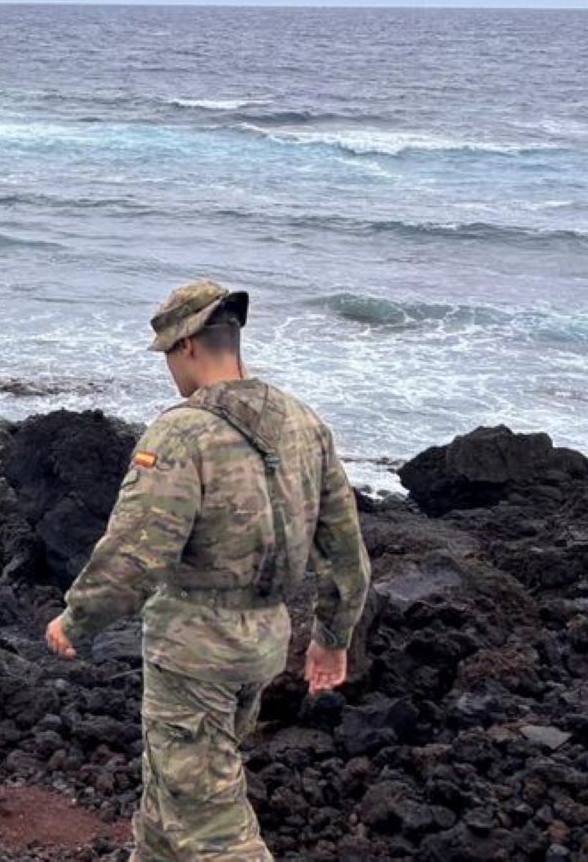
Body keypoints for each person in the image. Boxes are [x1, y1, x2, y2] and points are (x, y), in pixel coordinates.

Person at [44, 280, 371, 860]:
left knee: (213, 829)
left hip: (195, 650)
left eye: (169, 354)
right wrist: (333, 635)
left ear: (188, 345)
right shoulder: (303, 424)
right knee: (172, 797)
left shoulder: (182, 433)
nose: (170, 368)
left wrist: (78, 619)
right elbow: (344, 547)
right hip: (263, 642)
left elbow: (137, 553)